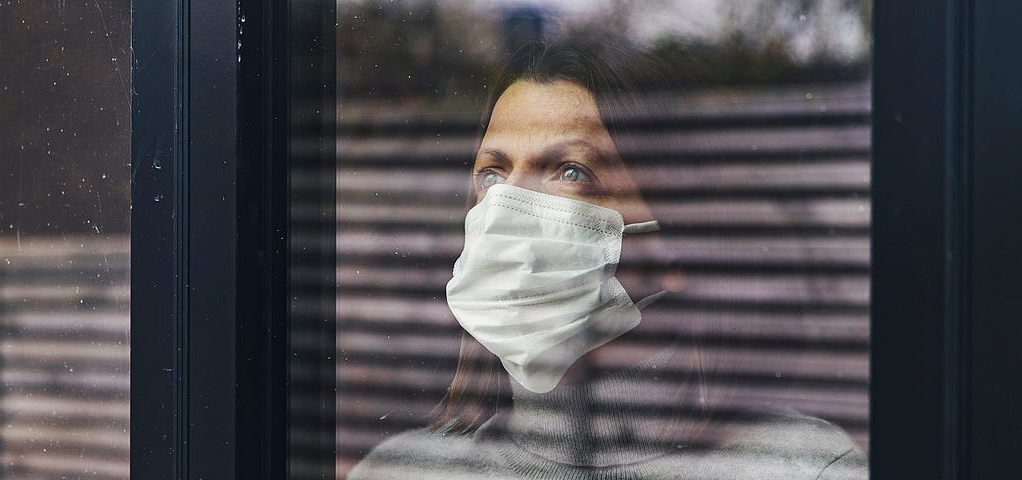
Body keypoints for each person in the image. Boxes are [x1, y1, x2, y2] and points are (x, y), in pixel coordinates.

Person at [346, 38, 867, 480]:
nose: (506, 206)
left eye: (571, 171)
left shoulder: (804, 469)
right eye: (492, 174)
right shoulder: (400, 471)